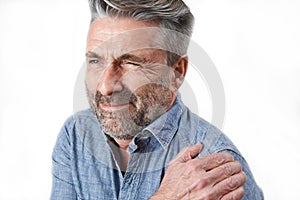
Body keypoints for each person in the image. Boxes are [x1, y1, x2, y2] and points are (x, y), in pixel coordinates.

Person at [51, 0, 263, 199]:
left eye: (131, 64)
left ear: (177, 72)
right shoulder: (77, 135)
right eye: (96, 61)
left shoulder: (213, 169)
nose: (105, 87)